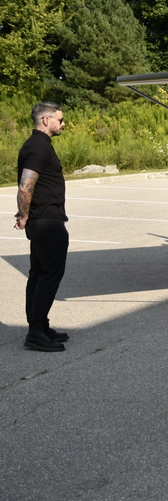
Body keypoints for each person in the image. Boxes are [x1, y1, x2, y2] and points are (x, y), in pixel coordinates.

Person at [15, 102, 70, 353]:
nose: (63, 123)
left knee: (38, 274)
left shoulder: (37, 145)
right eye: (60, 119)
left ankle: (39, 326)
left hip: (43, 220)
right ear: (46, 120)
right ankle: (36, 332)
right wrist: (24, 215)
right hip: (46, 222)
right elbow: (26, 186)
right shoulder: (38, 147)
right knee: (49, 275)